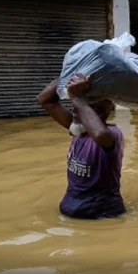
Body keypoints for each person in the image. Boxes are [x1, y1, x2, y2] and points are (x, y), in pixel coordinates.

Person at [37, 75, 125, 219]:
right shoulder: (77, 129)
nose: (74, 112)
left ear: (100, 112)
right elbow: (45, 100)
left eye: (79, 109)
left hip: (101, 216)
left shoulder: (112, 135)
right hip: (72, 213)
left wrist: (78, 99)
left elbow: (100, 134)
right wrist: (69, 74)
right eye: (74, 108)